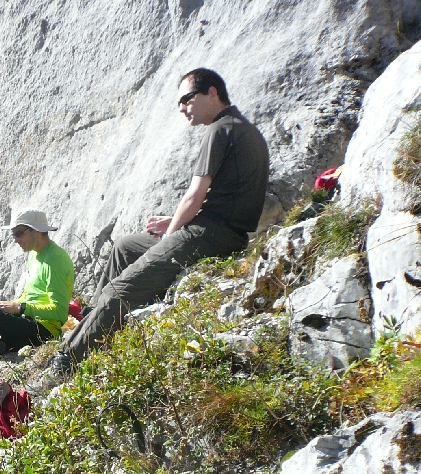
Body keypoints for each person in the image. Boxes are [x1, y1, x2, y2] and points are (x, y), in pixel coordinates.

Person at [52, 68, 269, 373]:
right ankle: (92, 318)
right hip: (220, 229)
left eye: (187, 99)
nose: (182, 108)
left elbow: (194, 196)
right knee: (125, 247)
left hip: (209, 235)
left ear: (212, 93)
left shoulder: (219, 130)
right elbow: (227, 196)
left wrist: (171, 237)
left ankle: (68, 360)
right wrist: (174, 222)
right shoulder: (245, 129)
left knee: (119, 291)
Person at [0, 209, 75, 358]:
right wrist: (10, 306)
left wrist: (20, 308)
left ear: (36, 231)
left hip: (43, 329)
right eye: (14, 235)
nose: (15, 240)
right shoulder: (34, 254)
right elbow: (29, 293)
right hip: (26, 319)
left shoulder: (55, 260)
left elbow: (60, 313)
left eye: (19, 234)